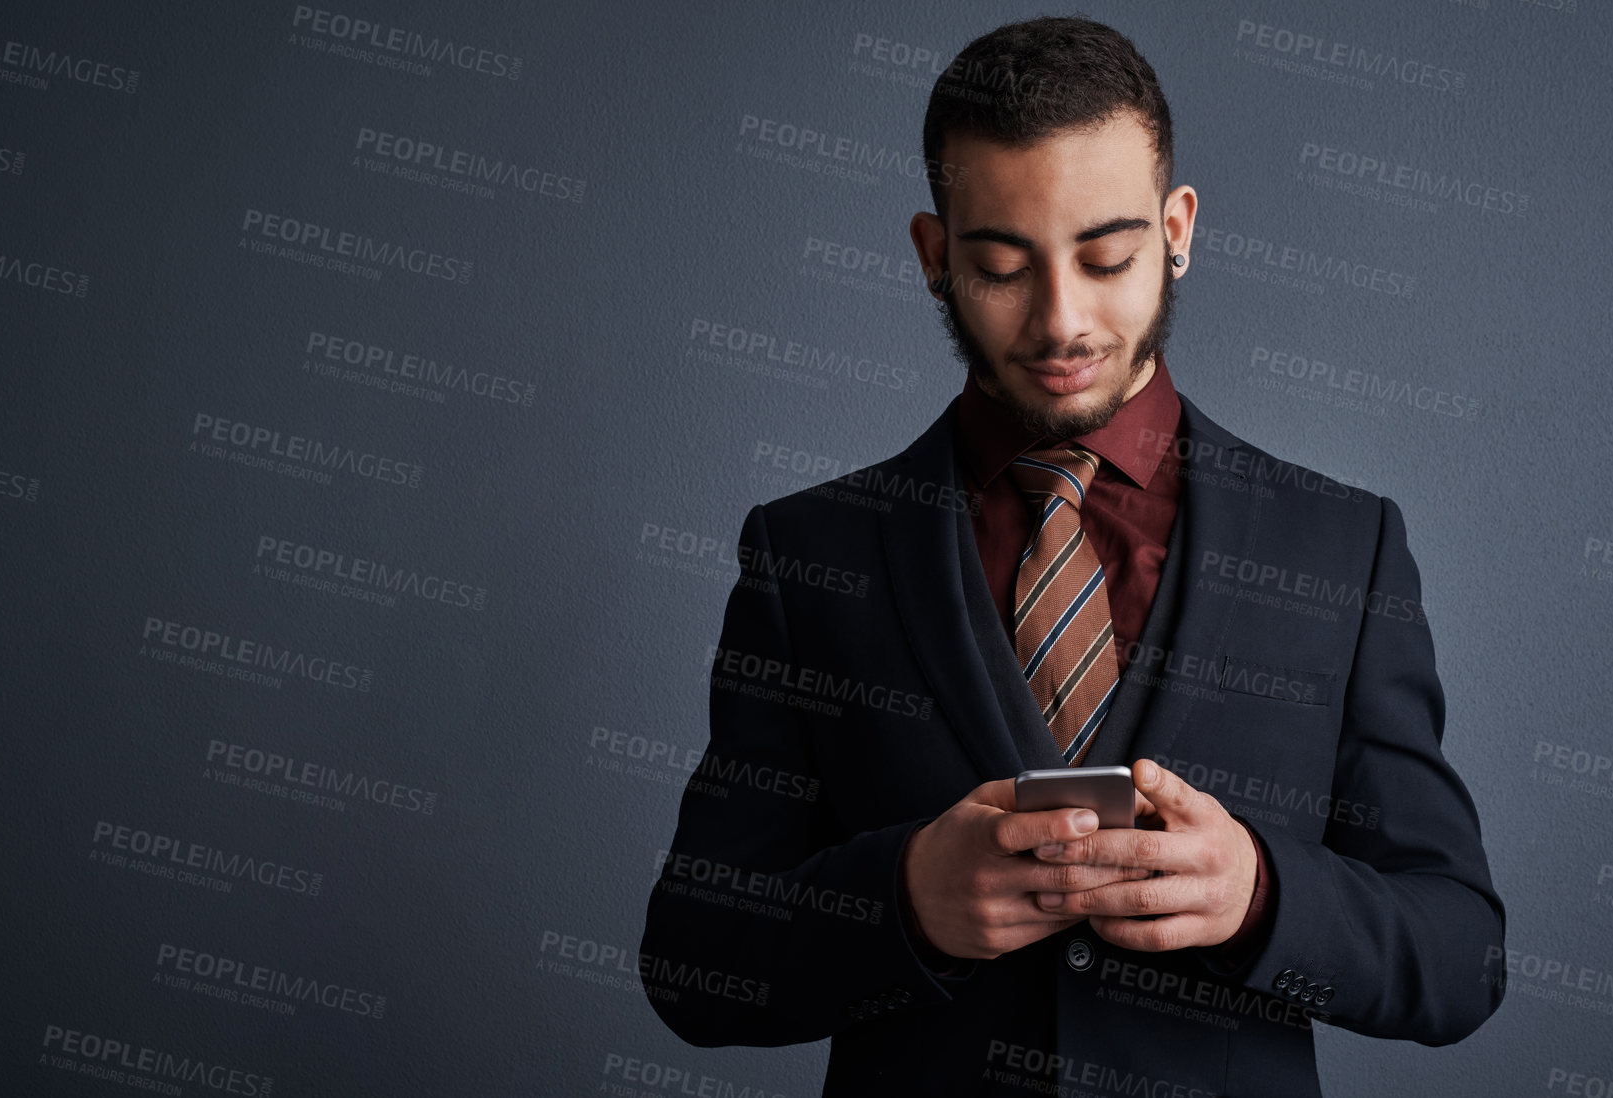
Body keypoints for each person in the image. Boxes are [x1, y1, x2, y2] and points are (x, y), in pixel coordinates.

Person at [640, 16, 1504, 1097]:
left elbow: (1460, 955)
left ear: (1176, 229)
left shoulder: (1340, 545)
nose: (1062, 322)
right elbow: (689, 964)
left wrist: (1261, 898)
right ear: (932, 256)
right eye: (1002, 267)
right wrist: (900, 900)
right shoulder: (806, 551)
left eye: (1107, 258)